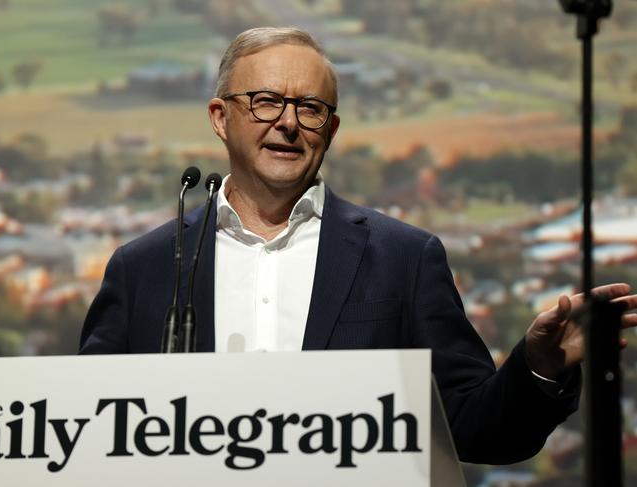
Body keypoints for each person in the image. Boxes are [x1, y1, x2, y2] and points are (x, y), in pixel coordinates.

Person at [79, 27, 637, 465]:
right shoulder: (144, 269)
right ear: (221, 118)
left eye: (310, 108)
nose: (289, 124)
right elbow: (84, 432)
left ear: (332, 128)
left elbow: (474, 430)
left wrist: (537, 369)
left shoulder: (404, 259)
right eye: (267, 101)